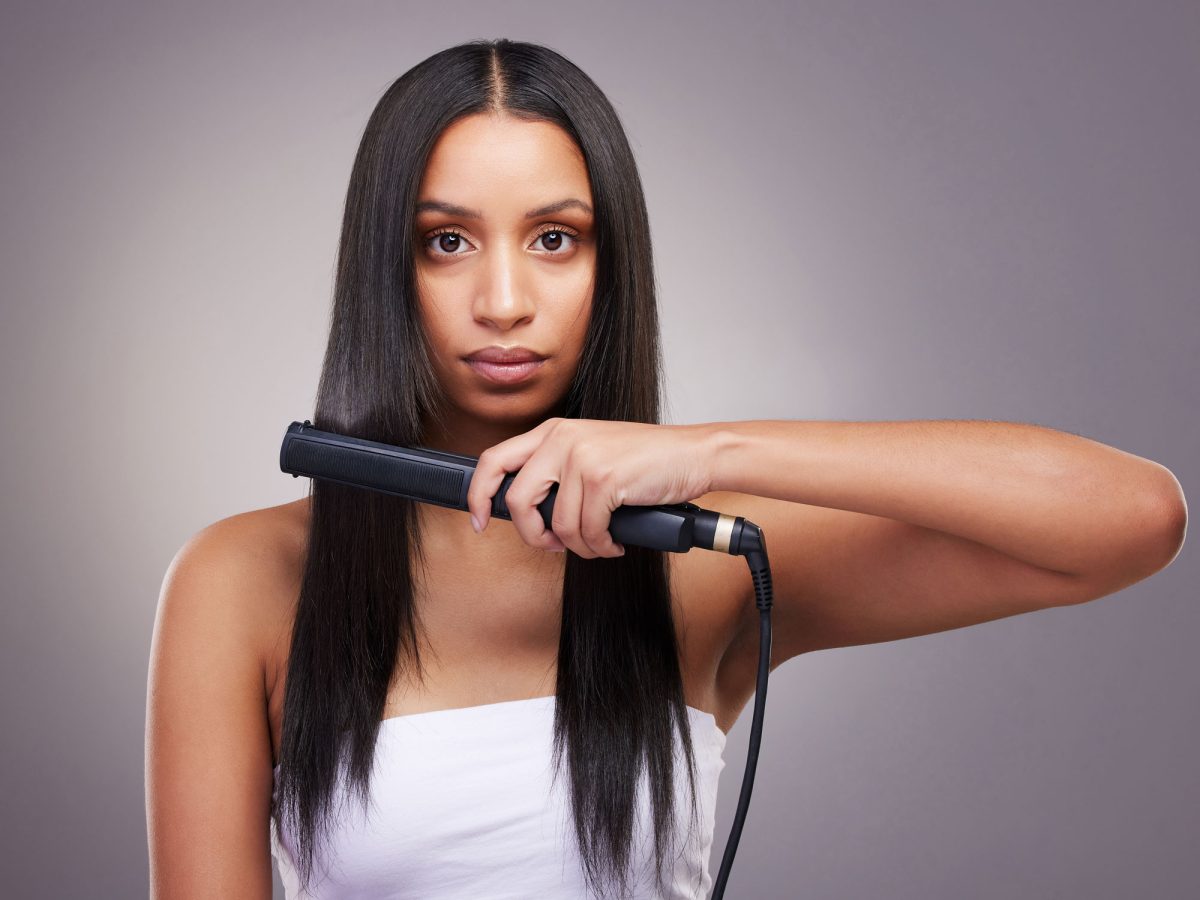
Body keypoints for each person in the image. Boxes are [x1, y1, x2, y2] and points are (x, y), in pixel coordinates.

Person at [145, 38, 1187, 899]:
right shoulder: (242, 581)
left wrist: (709, 453)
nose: (504, 299)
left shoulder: (701, 556)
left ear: (613, 262)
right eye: (448, 243)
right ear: (387, 267)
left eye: (555, 239)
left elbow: (1133, 517)